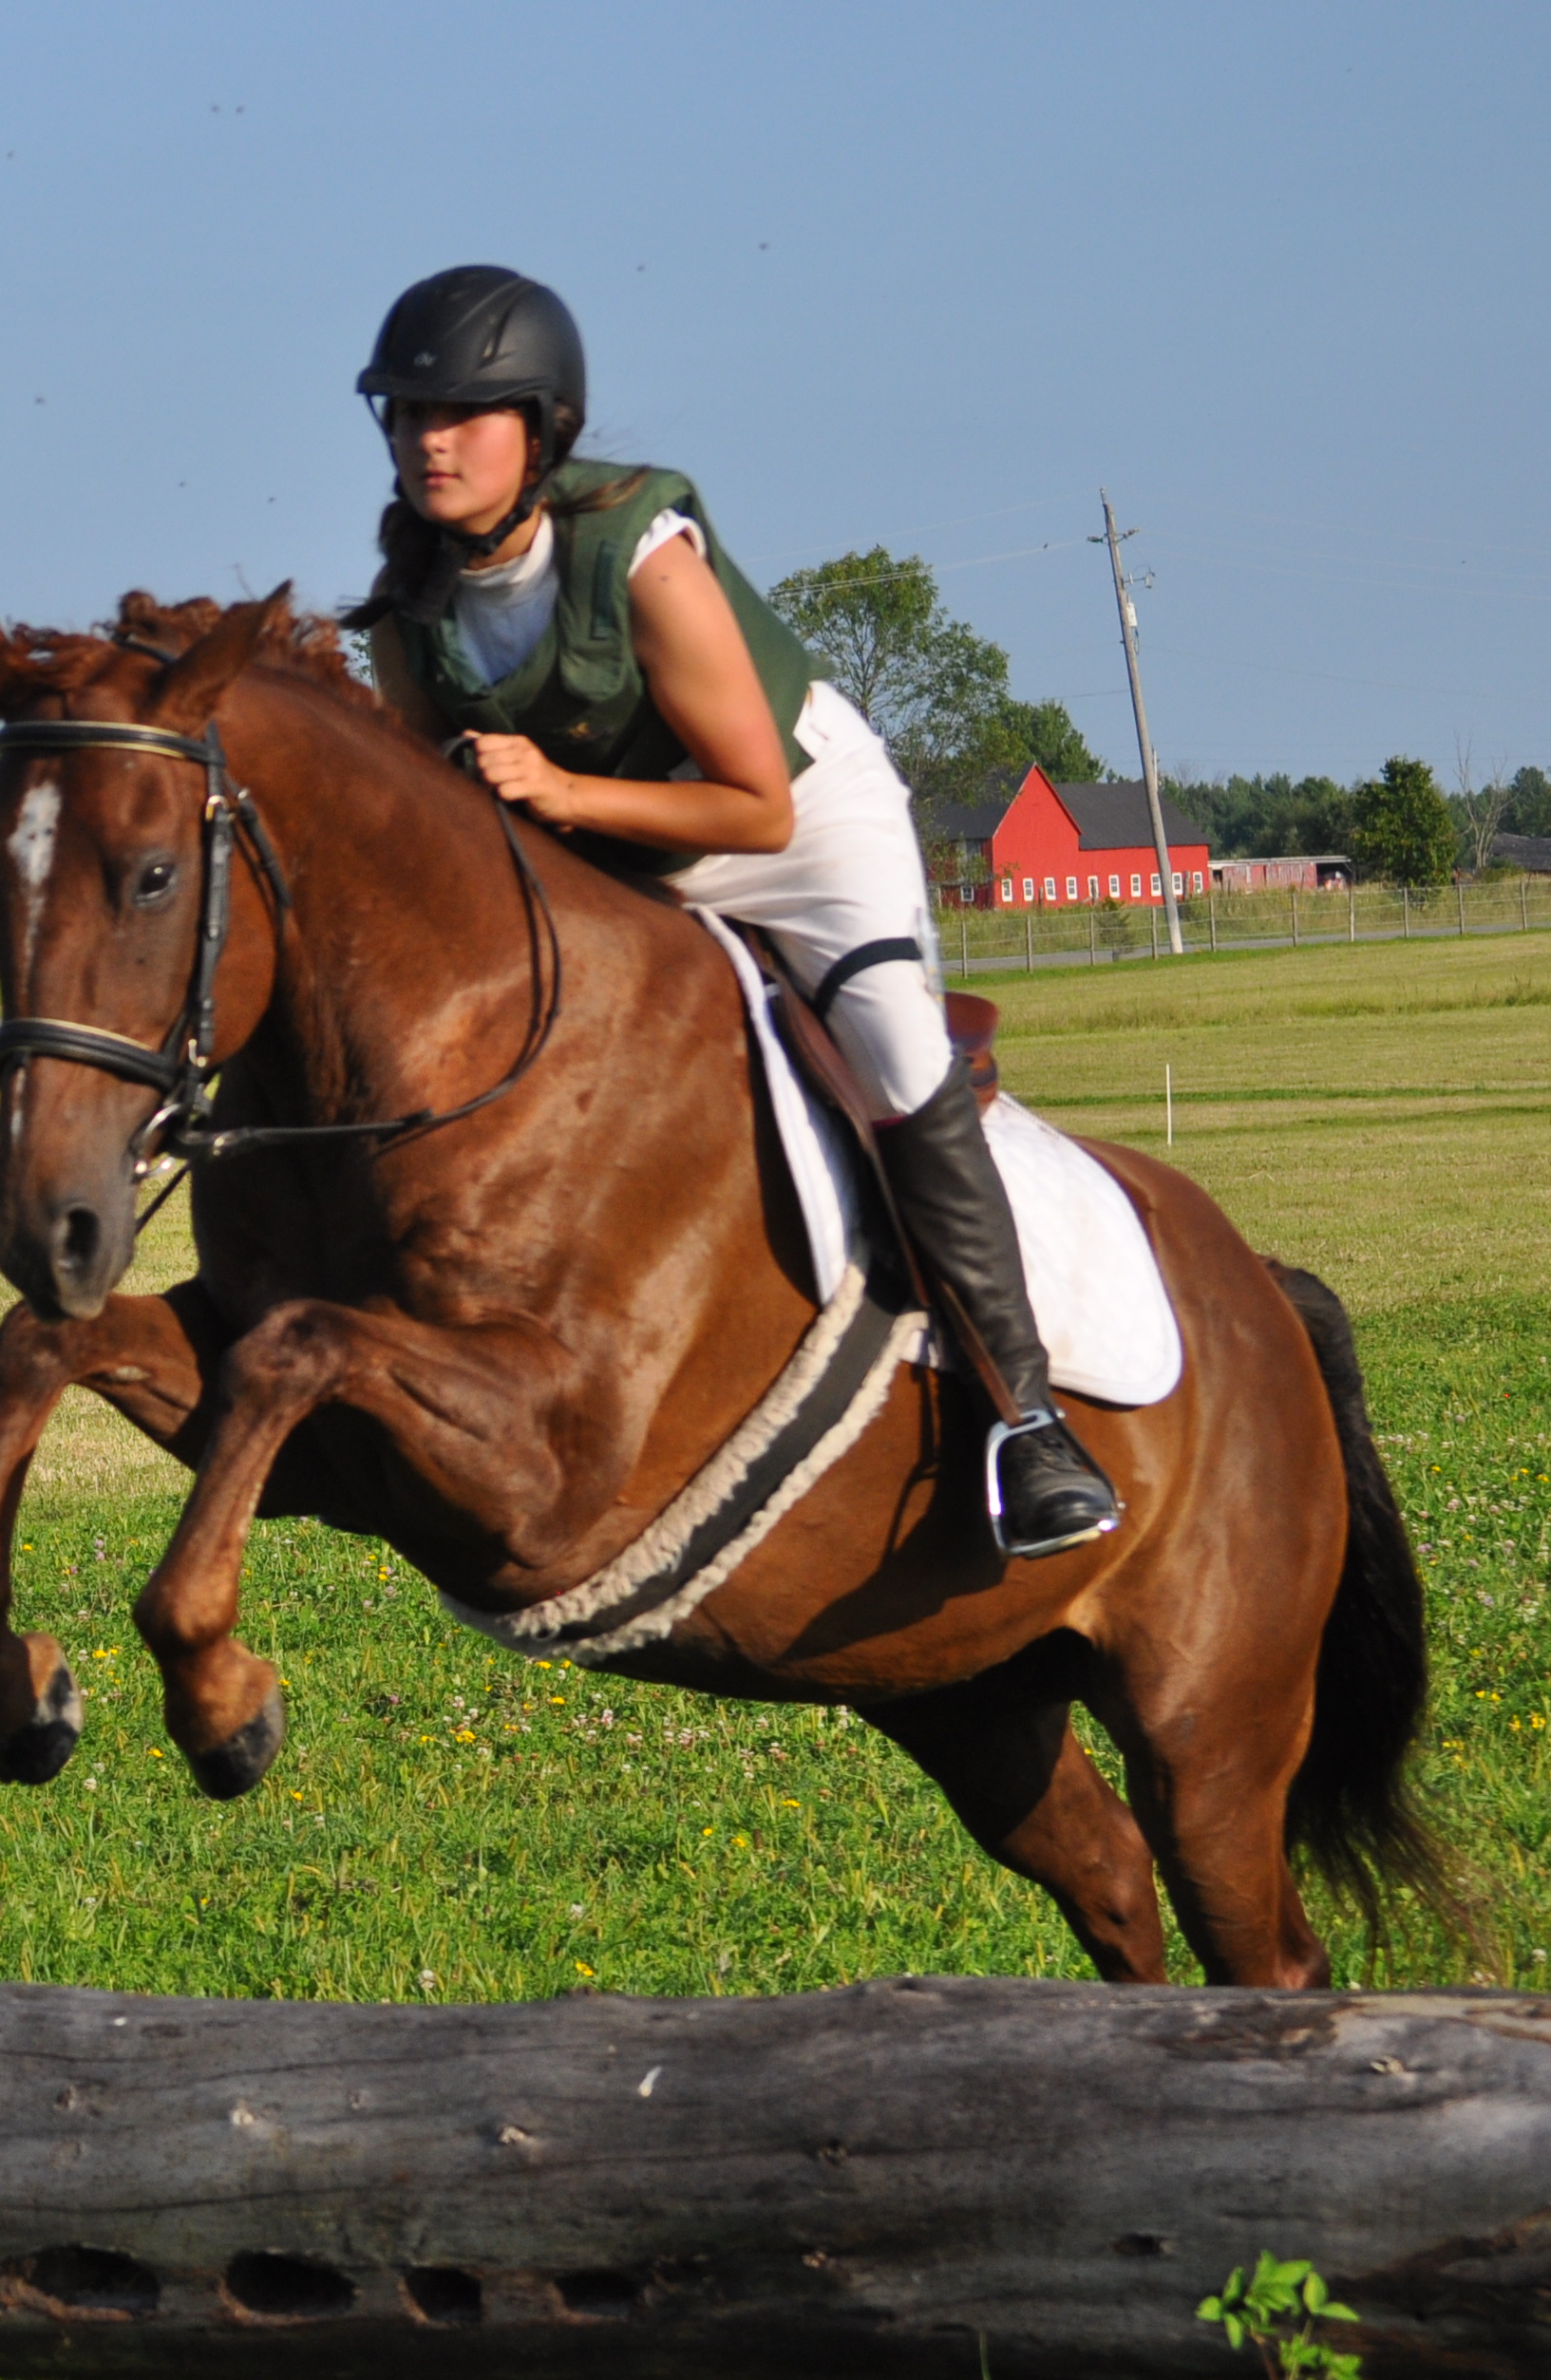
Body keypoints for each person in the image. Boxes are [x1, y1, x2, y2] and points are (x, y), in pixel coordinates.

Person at [346, 265, 1120, 1558]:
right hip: (610, 853)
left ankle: (1028, 1420)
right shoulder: (411, 615)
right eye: (409, 414)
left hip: (799, 826)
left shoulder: (636, 554)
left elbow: (755, 803)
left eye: (464, 414)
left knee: (890, 1050)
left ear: (543, 429)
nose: (430, 440)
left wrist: (560, 785)